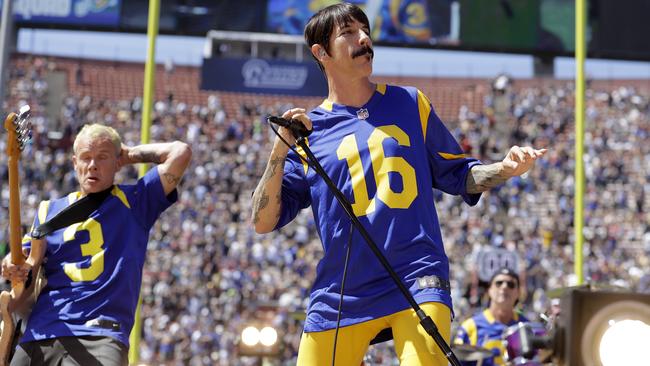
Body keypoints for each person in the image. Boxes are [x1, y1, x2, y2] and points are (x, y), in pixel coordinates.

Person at [251, 3, 546, 365]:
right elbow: (262, 222)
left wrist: (503, 168)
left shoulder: (410, 102)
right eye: (348, 33)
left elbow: (460, 175)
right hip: (342, 291)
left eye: (365, 30)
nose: (364, 39)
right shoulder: (307, 133)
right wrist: (279, 152)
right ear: (321, 52)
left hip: (416, 275)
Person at [2, 124, 192, 366]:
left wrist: (130, 154)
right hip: (42, 331)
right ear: (74, 163)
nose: (92, 165)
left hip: (101, 333)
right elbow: (25, 263)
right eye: (86, 158)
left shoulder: (136, 201)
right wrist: (12, 263)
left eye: (102, 157)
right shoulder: (48, 211)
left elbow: (180, 152)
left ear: (117, 162)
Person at [454, 268, 527, 366]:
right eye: (499, 283)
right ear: (489, 290)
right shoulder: (470, 327)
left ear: (518, 293)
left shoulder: (527, 327)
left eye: (511, 284)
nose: (504, 287)